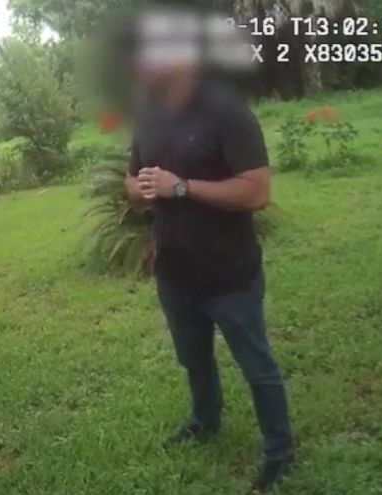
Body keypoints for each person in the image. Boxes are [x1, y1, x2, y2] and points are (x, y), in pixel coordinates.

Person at [124, 22, 295, 493]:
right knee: (193, 358)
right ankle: (205, 420)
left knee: (257, 366)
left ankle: (280, 451)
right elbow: (132, 176)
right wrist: (140, 189)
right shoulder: (149, 114)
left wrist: (180, 187)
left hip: (229, 272)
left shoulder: (226, 111)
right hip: (175, 272)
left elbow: (257, 191)